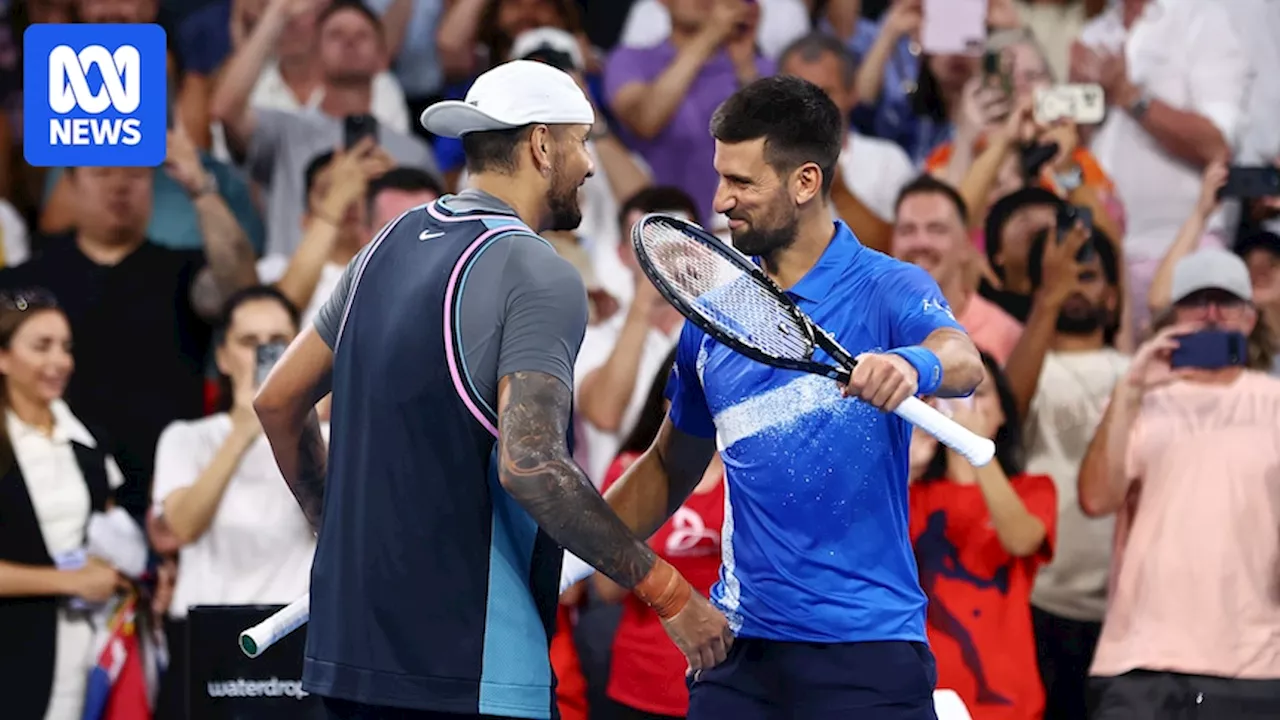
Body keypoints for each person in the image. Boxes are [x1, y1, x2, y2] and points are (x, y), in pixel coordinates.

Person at [252, 59, 731, 720]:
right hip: (468, 667)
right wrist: (670, 592)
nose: (589, 165)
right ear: (541, 145)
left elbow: (276, 402)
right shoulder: (536, 269)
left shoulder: (384, 245)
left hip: (346, 651)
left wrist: (334, 522)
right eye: (581, 141)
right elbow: (531, 465)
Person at [600, 75, 984, 719]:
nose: (721, 200)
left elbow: (962, 359)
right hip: (740, 655)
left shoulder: (886, 286)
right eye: (722, 177)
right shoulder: (713, 315)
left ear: (805, 182)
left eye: (742, 183)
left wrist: (911, 365)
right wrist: (571, 549)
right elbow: (670, 467)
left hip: (869, 653)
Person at [1079, 249, 1280, 718]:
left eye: (1225, 302)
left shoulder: (1275, 402)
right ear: (1170, 317)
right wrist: (1130, 390)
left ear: (1250, 319)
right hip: (1140, 658)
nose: (1211, 315)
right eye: (1197, 302)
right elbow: (1096, 498)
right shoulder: (1137, 398)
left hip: (1255, 661)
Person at [148, 287, 316, 719]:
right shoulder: (186, 438)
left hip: (295, 633)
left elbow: (331, 523)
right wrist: (243, 429)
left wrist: (288, 422)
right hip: (204, 633)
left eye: (278, 340)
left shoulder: (327, 440)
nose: (265, 352)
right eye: (249, 342)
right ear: (223, 357)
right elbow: (182, 527)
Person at [0, 289, 129, 720]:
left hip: (84, 647)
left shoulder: (87, 443)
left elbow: (108, 532)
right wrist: (69, 581)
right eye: (42, 346)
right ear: (3, 357)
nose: (61, 361)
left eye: (66, 347)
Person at [910, 352, 1056, 719]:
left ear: (1004, 413)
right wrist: (909, 463)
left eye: (979, 393)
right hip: (924, 697)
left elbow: (1021, 540)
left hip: (1008, 703)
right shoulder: (913, 493)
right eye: (951, 395)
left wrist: (974, 447)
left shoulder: (1033, 489)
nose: (963, 406)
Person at [592, 348, 726, 720]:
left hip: (729, 676)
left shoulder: (747, 471)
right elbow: (606, 588)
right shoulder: (629, 471)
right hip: (643, 676)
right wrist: (650, 508)